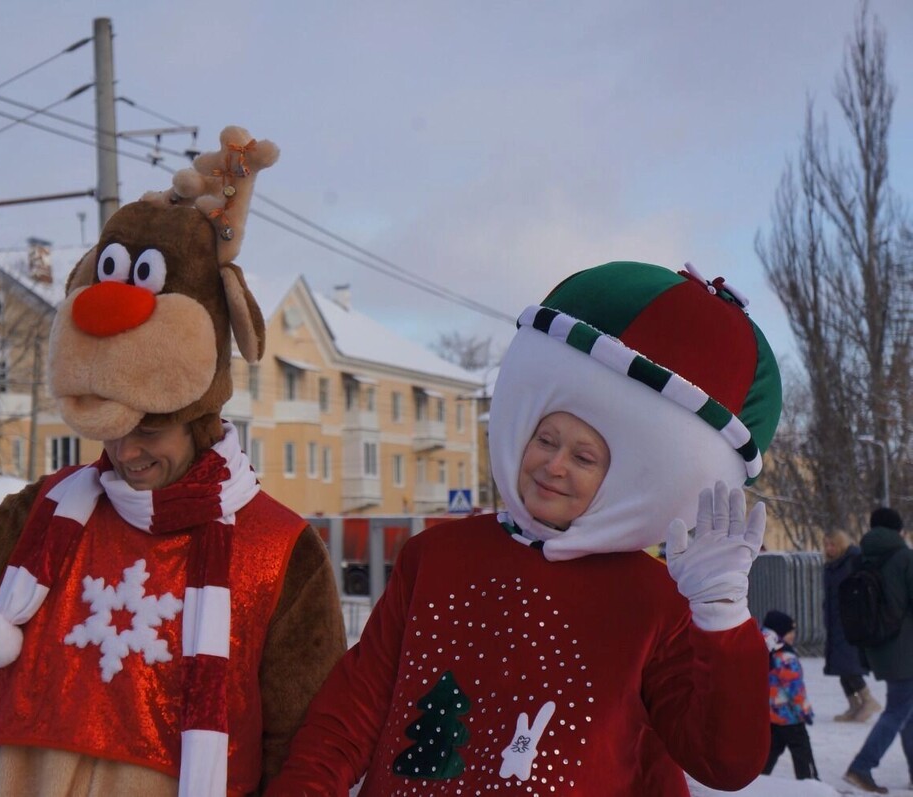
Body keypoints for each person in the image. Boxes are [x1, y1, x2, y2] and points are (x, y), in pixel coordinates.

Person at [0, 126, 347, 797]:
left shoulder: (278, 550)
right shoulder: (52, 509)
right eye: (108, 424)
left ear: (198, 407)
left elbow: (305, 748)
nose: (126, 451)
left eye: (148, 425)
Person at [266, 260, 784, 795]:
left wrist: (722, 623)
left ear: (625, 476)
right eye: (545, 440)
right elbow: (353, 710)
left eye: (584, 457)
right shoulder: (437, 556)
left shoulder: (656, 599)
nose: (554, 466)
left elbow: (724, 763)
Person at [844, 507, 913, 794]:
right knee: (899, 709)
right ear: (898, 530)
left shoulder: (862, 558)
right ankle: (862, 766)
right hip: (905, 648)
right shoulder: (904, 557)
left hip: (878, 646)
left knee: (907, 709)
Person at [824, 528, 880, 722]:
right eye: (826, 544)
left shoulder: (852, 560)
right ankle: (854, 704)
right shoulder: (832, 564)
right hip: (836, 620)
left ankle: (868, 699)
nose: (828, 548)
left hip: (850, 622)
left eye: (832, 544)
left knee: (849, 665)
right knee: (841, 666)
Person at [760, 610, 819, 780]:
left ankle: (757, 782)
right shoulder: (786, 657)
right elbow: (795, 689)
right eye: (790, 632)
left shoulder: (766, 651)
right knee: (802, 753)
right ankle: (810, 784)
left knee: (769, 753)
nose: (793, 636)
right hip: (790, 718)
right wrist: (805, 711)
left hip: (771, 717)